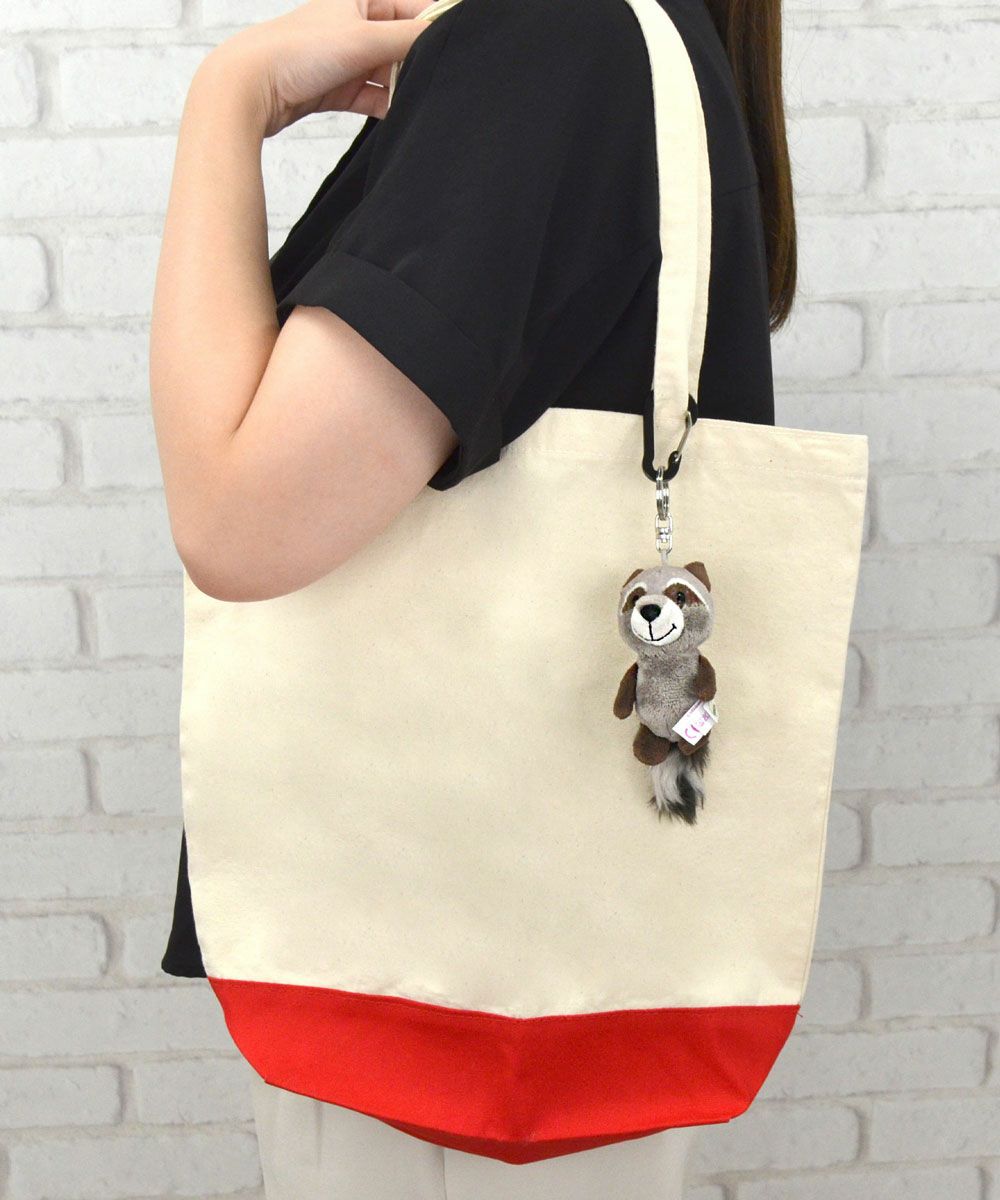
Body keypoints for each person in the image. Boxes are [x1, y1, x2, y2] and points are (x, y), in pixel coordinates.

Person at [150, 0, 795, 1193]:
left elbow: (237, 523)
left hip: (430, 974)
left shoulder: (549, 40)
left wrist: (228, 98)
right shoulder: (608, 41)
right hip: (552, 946)